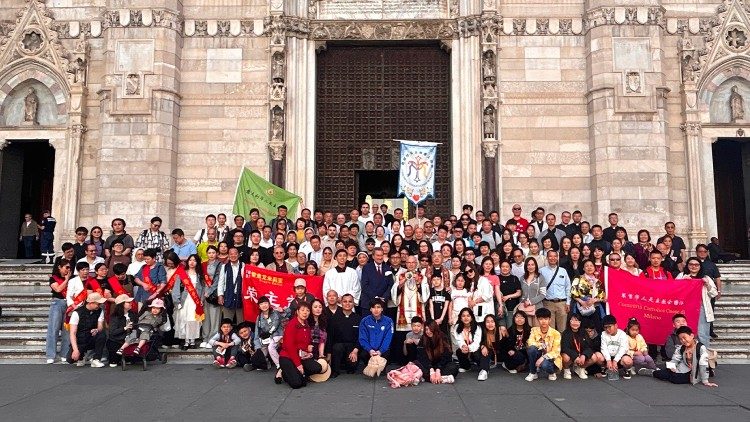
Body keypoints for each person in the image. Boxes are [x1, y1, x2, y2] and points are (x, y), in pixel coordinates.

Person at [279, 302, 327, 388]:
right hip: (288, 357)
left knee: (317, 368)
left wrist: (308, 350)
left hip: (301, 356)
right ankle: (286, 373)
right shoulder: (291, 325)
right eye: (302, 310)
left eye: (308, 310)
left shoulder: (306, 325)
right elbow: (290, 347)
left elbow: (306, 343)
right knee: (297, 384)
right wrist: (298, 365)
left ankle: (293, 373)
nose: (305, 312)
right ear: (297, 311)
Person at [650, 326, 717, 387]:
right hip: (684, 367)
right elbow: (675, 359)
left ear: (692, 335)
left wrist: (705, 381)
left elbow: (703, 364)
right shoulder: (681, 348)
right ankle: (652, 372)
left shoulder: (701, 348)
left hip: (696, 370)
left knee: (676, 379)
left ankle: (709, 373)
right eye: (680, 339)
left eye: (684, 338)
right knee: (665, 372)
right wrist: (672, 367)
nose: (683, 341)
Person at [675, 257, 718, 347]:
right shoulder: (681, 275)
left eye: (696, 265)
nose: (694, 266)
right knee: (685, 333)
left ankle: (703, 355)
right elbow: (674, 291)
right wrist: (682, 282)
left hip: (701, 307)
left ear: (700, 266)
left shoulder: (706, 277)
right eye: (691, 264)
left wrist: (707, 284)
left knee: (702, 334)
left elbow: (714, 293)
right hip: (685, 308)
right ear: (687, 265)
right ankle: (686, 355)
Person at [172, 254, 204, 350]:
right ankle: (186, 342)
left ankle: (193, 341)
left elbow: (203, 289)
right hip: (184, 300)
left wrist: (201, 299)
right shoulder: (182, 274)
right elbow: (176, 288)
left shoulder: (200, 275)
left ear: (197, 262)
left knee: (194, 320)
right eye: (190, 260)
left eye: (194, 260)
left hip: (195, 301)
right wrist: (177, 301)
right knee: (184, 320)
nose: (192, 262)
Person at [67, 292, 107, 367]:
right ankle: (81, 356)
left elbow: (100, 326)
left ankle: (96, 359)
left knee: (102, 334)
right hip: (80, 339)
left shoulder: (100, 310)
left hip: (92, 337)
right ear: (91, 303)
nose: (99, 306)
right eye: (98, 304)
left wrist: (97, 330)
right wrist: (75, 350)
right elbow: (72, 333)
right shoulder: (77, 313)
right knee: (70, 359)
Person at [328, 293, 362, 377]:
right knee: (337, 347)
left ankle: (349, 365)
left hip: (352, 348)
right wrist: (328, 354)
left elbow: (361, 337)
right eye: (345, 301)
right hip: (338, 347)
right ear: (341, 303)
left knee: (352, 368)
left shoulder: (358, 318)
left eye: (350, 301)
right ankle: (335, 370)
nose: (347, 303)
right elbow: (330, 337)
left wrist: (355, 350)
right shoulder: (334, 318)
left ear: (353, 303)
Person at [560, 314, 603, 379]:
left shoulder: (583, 332)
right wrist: (575, 357)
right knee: (565, 357)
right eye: (573, 321)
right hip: (571, 355)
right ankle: (566, 370)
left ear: (580, 323)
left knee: (594, 357)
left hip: (581, 354)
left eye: (577, 321)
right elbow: (564, 348)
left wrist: (584, 355)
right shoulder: (565, 333)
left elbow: (589, 347)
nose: (575, 323)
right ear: (569, 322)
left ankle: (580, 369)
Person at [525, 308, 562, 381]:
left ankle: (552, 372)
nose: (543, 321)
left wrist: (543, 358)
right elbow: (530, 342)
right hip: (539, 353)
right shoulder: (534, 330)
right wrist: (541, 346)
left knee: (544, 364)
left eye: (546, 319)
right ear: (537, 320)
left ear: (549, 320)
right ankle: (533, 372)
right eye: (541, 319)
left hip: (551, 358)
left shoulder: (556, 333)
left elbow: (555, 352)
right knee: (531, 349)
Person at [46, 259, 72, 363]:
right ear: (60, 267)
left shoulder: (72, 279)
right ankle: (50, 355)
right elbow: (58, 289)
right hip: (57, 303)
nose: (68, 270)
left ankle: (65, 353)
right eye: (66, 267)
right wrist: (66, 280)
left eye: (69, 267)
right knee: (53, 329)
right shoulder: (54, 278)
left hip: (68, 304)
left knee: (67, 330)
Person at [416, 320, 458, 384]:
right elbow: (422, 357)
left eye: (430, 329)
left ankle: (430, 378)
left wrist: (438, 369)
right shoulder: (423, 338)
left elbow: (447, 355)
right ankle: (443, 379)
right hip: (429, 366)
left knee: (453, 366)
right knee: (415, 364)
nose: (428, 332)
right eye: (426, 329)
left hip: (441, 366)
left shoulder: (443, 336)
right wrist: (431, 370)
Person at [571, 259, 606, 331]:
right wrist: (582, 302)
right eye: (587, 266)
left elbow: (602, 296)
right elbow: (573, 293)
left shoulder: (597, 281)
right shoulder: (578, 278)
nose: (589, 267)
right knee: (581, 328)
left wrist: (594, 300)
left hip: (595, 306)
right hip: (581, 306)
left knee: (597, 328)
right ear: (583, 268)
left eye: (591, 266)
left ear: (594, 268)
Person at [254, 295, 284, 377]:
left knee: (271, 347)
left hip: (277, 336)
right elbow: (257, 333)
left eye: (265, 303)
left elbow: (286, 314)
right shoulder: (259, 318)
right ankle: (265, 363)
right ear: (259, 306)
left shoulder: (275, 313)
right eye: (261, 304)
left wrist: (282, 310)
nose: (264, 305)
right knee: (260, 356)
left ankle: (280, 365)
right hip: (265, 339)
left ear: (269, 303)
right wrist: (257, 347)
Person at [358, 297, 394, 367]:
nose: (376, 310)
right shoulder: (364, 321)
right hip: (369, 351)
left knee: (387, 353)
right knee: (363, 354)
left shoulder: (389, 321)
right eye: (374, 307)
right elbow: (362, 338)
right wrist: (370, 350)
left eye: (378, 307)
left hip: (382, 351)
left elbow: (388, 338)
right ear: (370, 309)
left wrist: (380, 351)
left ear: (382, 309)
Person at [540, 250, 570, 331]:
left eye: (555, 256)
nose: (553, 258)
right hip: (548, 303)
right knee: (550, 329)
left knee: (562, 329)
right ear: (547, 258)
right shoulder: (542, 271)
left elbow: (568, 287)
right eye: (550, 256)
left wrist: (568, 302)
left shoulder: (563, 271)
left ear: (557, 258)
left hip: (562, 304)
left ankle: (562, 344)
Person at [452, 307, 486, 379]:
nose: (466, 318)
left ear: (471, 317)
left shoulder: (477, 327)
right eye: (463, 316)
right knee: (459, 351)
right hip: (465, 348)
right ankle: (466, 366)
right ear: (460, 318)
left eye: (468, 316)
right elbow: (459, 340)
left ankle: (481, 366)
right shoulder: (457, 327)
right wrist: (463, 346)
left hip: (475, 348)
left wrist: (469, 348)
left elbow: (477, 342)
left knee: (476, 354)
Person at [359, 247, 393, 315]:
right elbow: (365, 285)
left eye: (381, 255)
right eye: (378, 255)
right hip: (368, 304)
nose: (380, 257)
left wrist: (384, 297)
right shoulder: (366, 267)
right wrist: (376, 298)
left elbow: (390, 285)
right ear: (373, 256)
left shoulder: (387, 268)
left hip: (382, 304)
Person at [106, 295, 137, 367]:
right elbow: (112, 332)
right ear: (122, 304)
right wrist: (125, 328)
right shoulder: (115, 317)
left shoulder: (133, 314)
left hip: (130, 339)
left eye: (130, 302)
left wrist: (134, 327)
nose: (130, 303)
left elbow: (137, 326)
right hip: (117, 341)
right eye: (128, 302)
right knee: (113, 363)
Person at [600, 314, 634, 379]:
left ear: (616, 325)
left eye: (609, 327)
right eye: (605, 327)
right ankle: (604, 367)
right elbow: (603, 348)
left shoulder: (623, 334)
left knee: (628, 361)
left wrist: (615, 360)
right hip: (608, 357)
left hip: (619, 358)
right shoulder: (603, 334)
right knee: (598, 357)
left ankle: (627, 370)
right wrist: (608, 360)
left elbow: (623, 349)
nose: (607, 329)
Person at [217, 247, 245, 324]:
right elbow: (221, 282)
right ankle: (227, 336)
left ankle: (241, 335)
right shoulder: (224, 267)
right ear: (228, 256)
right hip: (228, 296)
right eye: (231, 254)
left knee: (241, 321)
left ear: (239, 255)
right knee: (227, 321)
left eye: (235, 253)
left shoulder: (244, 266)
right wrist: (220, 295)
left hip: (240, 297)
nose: (233, 256)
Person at [478, 314, 505, 380]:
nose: (490, 324)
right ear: (484, 323)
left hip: (500, 354)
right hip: (488, 354)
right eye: (487, 322)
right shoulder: (481, 332)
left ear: (495, 322)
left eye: (492, 321)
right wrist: (482, 346)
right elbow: (478, 342)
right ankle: (484, 371)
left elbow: (507, 343)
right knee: (486, 350)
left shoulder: (501, 330)